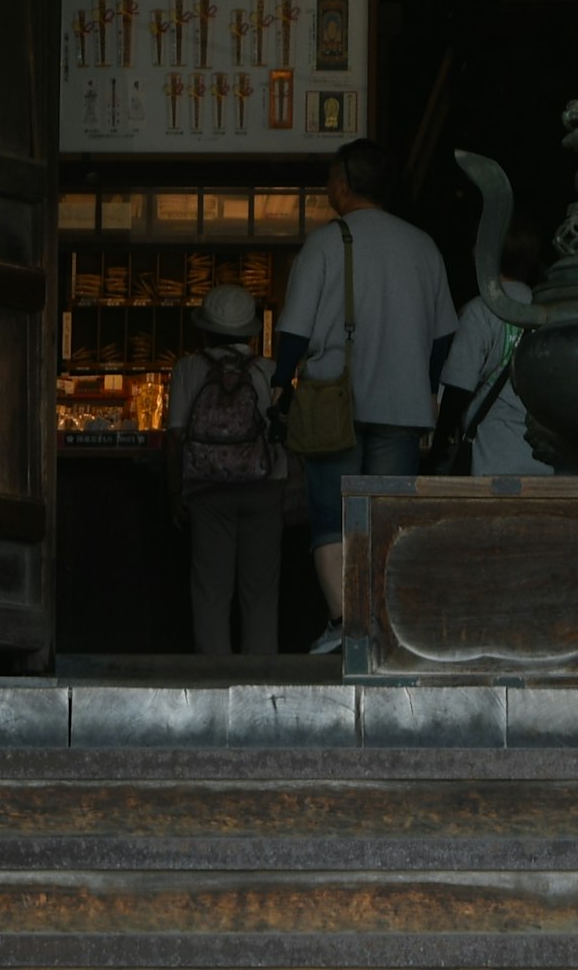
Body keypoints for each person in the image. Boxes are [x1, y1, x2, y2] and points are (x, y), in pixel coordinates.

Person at [272, 142, 452, 651]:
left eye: (330, 179)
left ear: (343, 184)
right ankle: (383, 623)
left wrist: (277, 384)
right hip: (403, 407)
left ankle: (343, 623)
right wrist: (426, 385)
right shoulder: (423, 246)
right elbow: (442, 338)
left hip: (336, 404)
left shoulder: (326, 243)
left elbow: (294, 333)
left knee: (331, 517)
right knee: (387, 518)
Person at [168, 283, 289, 655]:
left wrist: (175, 493)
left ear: (206, 327)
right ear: (250, 331)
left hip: (207, 490)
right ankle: (260, 683)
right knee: (261, 595)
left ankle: (213, 681)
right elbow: (286, 434)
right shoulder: (269, 371)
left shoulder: (188, 368)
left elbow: (175, 437)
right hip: (266, 487)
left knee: (211, 592)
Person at [434, 223, 548, 478]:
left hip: (489, 458)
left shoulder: (479, 312)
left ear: (485, 256)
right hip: (545, 461)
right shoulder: (549, 313)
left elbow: (457, 390)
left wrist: (439, 449)